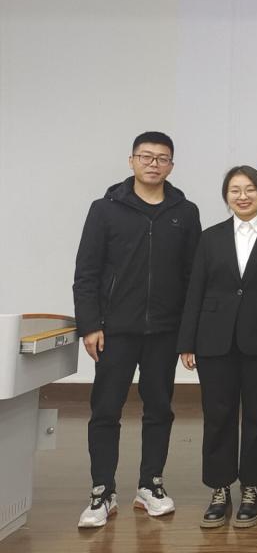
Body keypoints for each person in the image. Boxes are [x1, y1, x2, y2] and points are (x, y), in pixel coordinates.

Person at [74, 131, 202, 529]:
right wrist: (90, 325)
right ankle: (102, 491)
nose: (153, 164)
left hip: (165, 330)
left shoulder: (185, 212)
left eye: (161, 158)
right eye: (145, 157)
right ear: (131, 161)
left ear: (171, 166)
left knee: (159, 408)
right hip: (115, 330)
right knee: (106, 409)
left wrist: (188, 333)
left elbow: (193, 277)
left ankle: (150, 485)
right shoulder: (105, 209)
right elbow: (86, 272)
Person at [177, 166, 257, 530]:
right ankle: (219, 488)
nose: (242, 196)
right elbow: (195, 289)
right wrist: (187, 341)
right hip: (214, 340)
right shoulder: (211, 237)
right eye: (235, 190)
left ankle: (253, 487)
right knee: (218, 415)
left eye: (250, 189)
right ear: (226, 196)